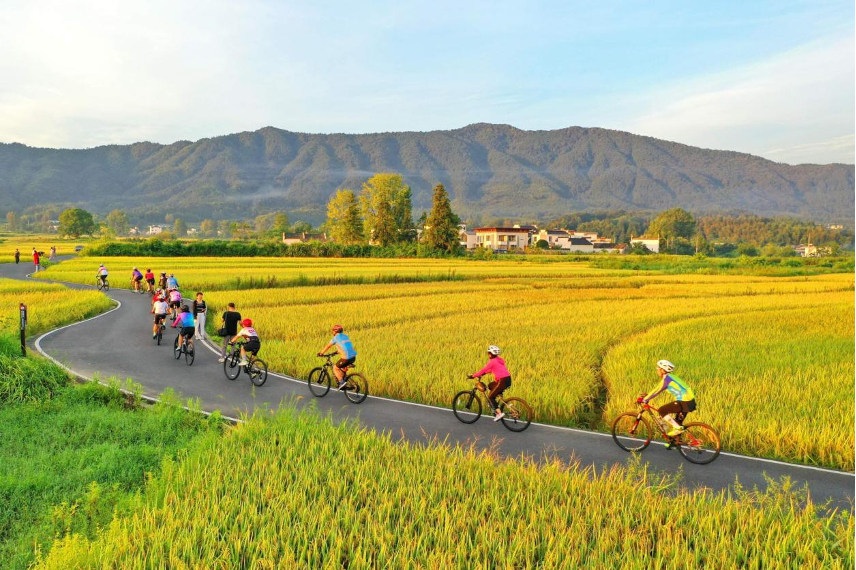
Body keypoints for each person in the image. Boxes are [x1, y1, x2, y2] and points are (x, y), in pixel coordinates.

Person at [638, 360, 697, 442]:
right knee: (677, 423)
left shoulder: (667, 379)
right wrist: (648, 395)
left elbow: (657, 390)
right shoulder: (671, 377)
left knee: (662, 410)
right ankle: (676, 442)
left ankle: (677, 429)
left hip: (684, 401)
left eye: (658, 369)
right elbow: (659, 390)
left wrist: (645, 399)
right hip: (689, 401)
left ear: (663, 370)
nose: (657, 371)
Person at [468, 345, 512, 422]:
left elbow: (483, 370)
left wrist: (473, 376)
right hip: (507, 379)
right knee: (490, 385)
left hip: (502, 380)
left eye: (488, 353)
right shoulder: (498, 360)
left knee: (490, 397)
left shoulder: (492, 362)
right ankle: (495, 403)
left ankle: (499, 414)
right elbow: (491, 370)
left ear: (490, 354)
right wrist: (484, 373)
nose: (488, 354)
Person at [317, 324, 357, 390]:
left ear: (335, 331)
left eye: (333, 331)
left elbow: (328, 346)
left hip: (346, 358)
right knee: (342, 369)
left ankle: (341, 383)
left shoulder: (335, 338)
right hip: (353, 357)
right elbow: (344, 346)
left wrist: (321, 353)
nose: (332, 332)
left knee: (335, 368)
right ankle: (345, 380)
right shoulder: (345, 336)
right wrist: (336, 352)